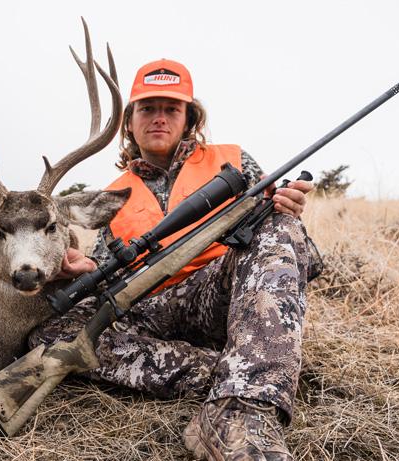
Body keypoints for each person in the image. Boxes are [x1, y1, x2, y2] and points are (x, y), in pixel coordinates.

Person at [30, 59, 321, 460]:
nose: (159, 118)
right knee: (50, 335)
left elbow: (290, 247)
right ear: (129, 121)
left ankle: (240, 414)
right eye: (148, 108)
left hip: (220, 293)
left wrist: (286, 208)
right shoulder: (112, 195)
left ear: (189, 118)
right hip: (151, 308)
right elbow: (106, 271)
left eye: (171, 108)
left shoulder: (234, 161)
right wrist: (85, 270)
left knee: (279, 225)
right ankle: (229, 370)